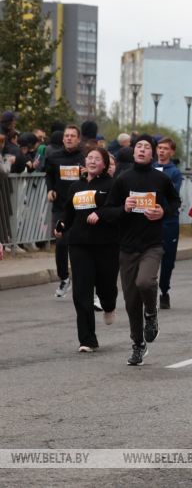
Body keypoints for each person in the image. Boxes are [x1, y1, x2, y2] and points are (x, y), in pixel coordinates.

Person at [105, 135, 181, 366]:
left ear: (152, 153)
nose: (142, 150)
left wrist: (162, 212)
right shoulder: (122, 179)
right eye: (139, 146)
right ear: (133, 150)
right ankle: (138, 344)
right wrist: (123, 209)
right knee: (130, 301)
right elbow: (108, 210)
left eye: (147, 147)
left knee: (145, 282)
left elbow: (175, 203)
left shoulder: (161, 179)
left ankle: (151, 312)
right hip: (127, 246)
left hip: (152, 244)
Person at [56, 147, 121, 352]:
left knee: (106, 286)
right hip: (79, 244)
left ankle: (109, 305)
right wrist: (62, 225)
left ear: (104, 164)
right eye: (89, 158)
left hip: (105, 244)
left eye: (97, 158)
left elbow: (118, 211)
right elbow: (68, 212)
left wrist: (101, 214)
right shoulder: (76, 186)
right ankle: (87, 339)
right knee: (81, 292)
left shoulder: (112, 185)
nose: (92, 161)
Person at [44, 125, 84, 298]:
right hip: (60, 207)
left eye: (72, 136)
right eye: (66, 135)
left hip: (80, 208)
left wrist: (86, 174)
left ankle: (82, 279)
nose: (69, 138)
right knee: (60, 242)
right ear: (63, 139)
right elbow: (49, 175)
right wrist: (50, 189)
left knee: (78, 245)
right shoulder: (53, 157)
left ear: (78, 139)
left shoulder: (84, 158)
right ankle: (64, 277)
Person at [155, 138, 183, 309]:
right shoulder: (150, 168)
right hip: (149, 220)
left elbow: (172, 195)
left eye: (166, 148)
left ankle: (164, 290)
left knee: (168, 260)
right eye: (159, 148)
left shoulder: (175, 173)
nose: (162, 151)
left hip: (169, 221)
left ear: (171, 152)